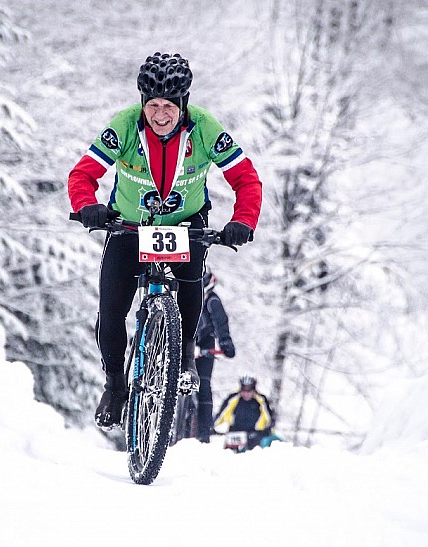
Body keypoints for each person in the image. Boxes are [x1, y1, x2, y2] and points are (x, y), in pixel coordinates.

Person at [68, 52, 263, 430]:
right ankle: (115, 386)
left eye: (168, 107)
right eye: (153, 106)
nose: (160, 115)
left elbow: (246, 180)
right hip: (129, 225)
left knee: (191, 282)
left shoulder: (205, 129)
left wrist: (242, 221)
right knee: (111, 312)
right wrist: (87, 205)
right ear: (143, 104)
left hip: (186, 225)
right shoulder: (124, 126)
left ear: (183, 104)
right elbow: (83, 174)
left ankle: (185, 356)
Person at [193, 267, 235, 442]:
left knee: (203, 385)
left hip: (205, 343)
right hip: (182, 340)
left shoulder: (213, 302)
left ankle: (204, 431)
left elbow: (220, 322)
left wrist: (225, 342)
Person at [213, 376, 277, 448]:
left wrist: (267, 431)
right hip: (235, 432)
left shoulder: (261, 400)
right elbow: (221, 415)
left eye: (249, 391)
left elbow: (270, 419)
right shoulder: (233, 398)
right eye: (243, 391)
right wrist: (212, 426)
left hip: (254, 433)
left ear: (253, 390)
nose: (246, 394)